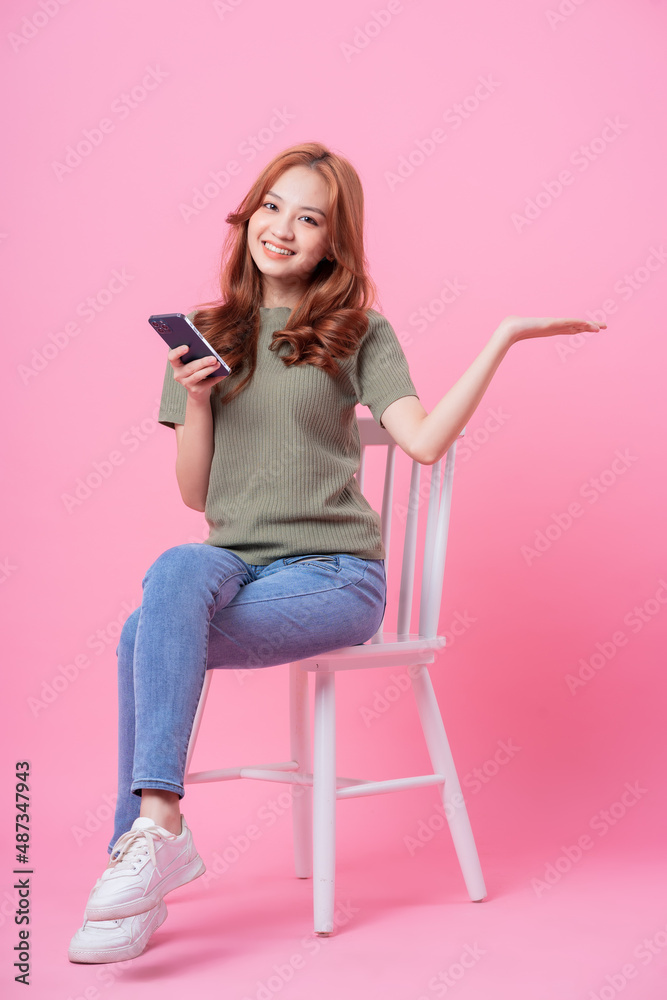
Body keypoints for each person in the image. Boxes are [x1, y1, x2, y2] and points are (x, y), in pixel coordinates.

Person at [68, 141, 606, 964]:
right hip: (231, 565)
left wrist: (501, 338)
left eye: (308, 217)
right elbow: (197, 498)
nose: (282, 228)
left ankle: (138, 854)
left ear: (332, 242)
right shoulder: (203, 337)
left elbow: (421, 443)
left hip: (332, 577)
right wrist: (201, 402)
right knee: (174, 568)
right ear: (247, 213)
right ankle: (155, 835)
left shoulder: (358, 329)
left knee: (146, 633)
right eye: (272, 207)